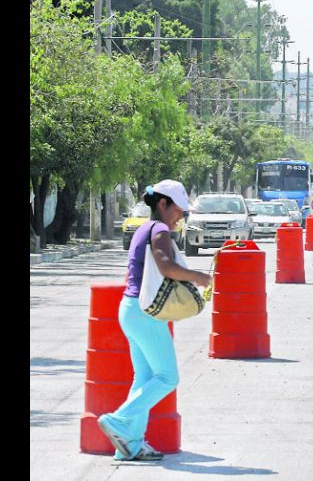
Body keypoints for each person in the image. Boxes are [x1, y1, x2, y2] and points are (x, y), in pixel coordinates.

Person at [97, 180, 211, 461]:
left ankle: (130, 445)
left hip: (131, 310)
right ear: (163, 204)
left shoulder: (143, 229)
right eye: (179, 211)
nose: (180, 217)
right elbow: (165, 265)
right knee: (168, 377)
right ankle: (119, 420)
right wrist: (199, 277)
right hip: (146, 312)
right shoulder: (159, 230)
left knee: (145, 377)